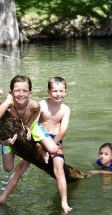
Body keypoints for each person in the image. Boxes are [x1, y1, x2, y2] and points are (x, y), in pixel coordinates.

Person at [0, 75, 58, 203]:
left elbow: (38, 111)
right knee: (8, 168)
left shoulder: (34, 105)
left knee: (53, 149)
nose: (21, 94)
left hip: (31, 127)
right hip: (10, 136)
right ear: (10, 93)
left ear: (30, 93)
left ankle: (39, 145)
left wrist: (29, 126)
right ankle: (20, 149)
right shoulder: (8, 108)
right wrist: (4, 142)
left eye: (25, 91)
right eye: (17, 90)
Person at [38, 76, 73, 214]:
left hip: (56, 140)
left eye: (61, 91)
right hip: (40, 138)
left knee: (59, 168)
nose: (58, 94)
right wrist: (43, 146)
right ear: (48, 91)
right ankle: (3, 197)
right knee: (22, 165)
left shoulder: (65, 109)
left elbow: (63, 130)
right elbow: (34, 123)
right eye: (54, 91)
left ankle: (64, 203)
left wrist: (51, 146)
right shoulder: (42, 104)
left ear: (66, 92)